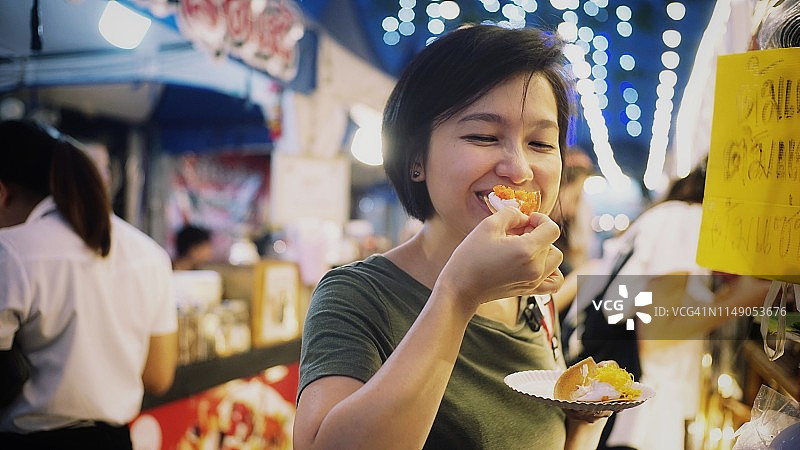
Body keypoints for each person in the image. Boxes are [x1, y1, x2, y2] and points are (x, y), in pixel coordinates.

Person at [294, 25, 608, 450]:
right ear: (416, 157)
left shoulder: (534, 293)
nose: (519, 170)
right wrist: (459, 294)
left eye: (539, 143)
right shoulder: (357, 295)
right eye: (483, 137)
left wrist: (585, 422)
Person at [561, 160, 771, 450]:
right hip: (636, 416)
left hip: (625, 404)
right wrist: (744, 299)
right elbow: (657, 334)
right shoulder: (685, 220)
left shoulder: (666, 217)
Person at [0, 120, 178, 449]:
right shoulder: (149, 254)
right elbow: (159, 376)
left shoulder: (12, 251)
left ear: (2, 193)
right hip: (115, 441)